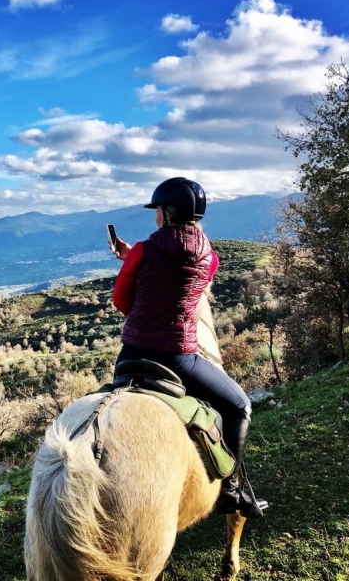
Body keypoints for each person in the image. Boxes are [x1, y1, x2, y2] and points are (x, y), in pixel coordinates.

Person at [110, 177, 267, 518]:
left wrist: (130, 259)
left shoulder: (143, 249)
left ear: (166, 212)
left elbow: (121, 300)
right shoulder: (210, 258)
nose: (155, 218)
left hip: (133, 353)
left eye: (157, 211)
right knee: (239, 406)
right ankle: (229, 490)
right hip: (179, 357)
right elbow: (184, 290)